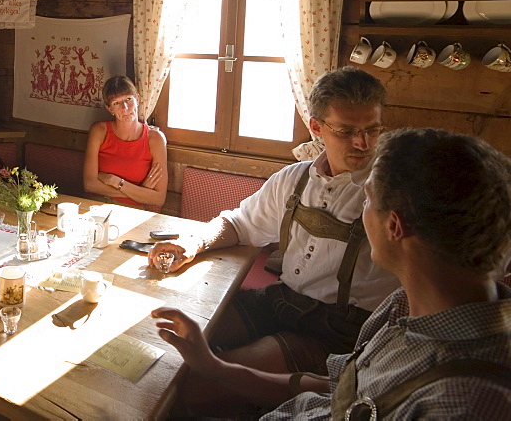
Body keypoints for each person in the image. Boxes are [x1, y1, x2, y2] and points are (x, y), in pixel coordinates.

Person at [153, 128, 511, 418]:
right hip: (285, 312)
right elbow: (341, 390)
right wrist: (217, 367)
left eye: (368, 201)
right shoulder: (403, 305)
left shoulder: (465, 399)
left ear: (394, 226)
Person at [148, 67, 398, 382]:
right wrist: (194, 243)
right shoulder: (294, 180)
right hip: (283, 301)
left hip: (336, 335)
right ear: (316, 127)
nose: (362, 143)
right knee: (172, 340)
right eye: (346, 131)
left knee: (199, 382)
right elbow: (239, 224)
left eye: (372, 130)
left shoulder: (389, 192)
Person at [83, 76, 167, 211]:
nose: (125, 107)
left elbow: (158, 199)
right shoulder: (99, 131)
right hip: (95, 206)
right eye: (117, 103)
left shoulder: (155, 139)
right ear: (110, 109)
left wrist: (115, 181)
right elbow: (89, 185)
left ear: (137, 99)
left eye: (129, 99)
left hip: (131, 211)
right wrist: (140, 191)